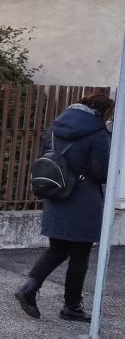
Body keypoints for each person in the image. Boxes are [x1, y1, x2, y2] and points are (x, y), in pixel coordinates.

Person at [14, 93, 113, 322]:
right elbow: (102, 172)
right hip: (83, 201)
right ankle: (71, 307)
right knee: (80, 255)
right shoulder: (97, 132)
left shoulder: (55, 126)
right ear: (102, 112)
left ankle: (29, 287)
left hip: (56, 194)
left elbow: (45, 156)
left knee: (58, 248)